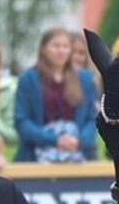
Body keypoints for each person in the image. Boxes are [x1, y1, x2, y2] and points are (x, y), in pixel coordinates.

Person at [14, 25, 98, 163]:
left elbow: (93, 118)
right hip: (35, 158)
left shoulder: (86, 79)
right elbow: (22, 121)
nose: (61, 51)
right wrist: (55, 140)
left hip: (79, 156)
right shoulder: (28, 79)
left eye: (65, 46)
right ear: (43, 49)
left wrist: (78, 141)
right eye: (56, 46)